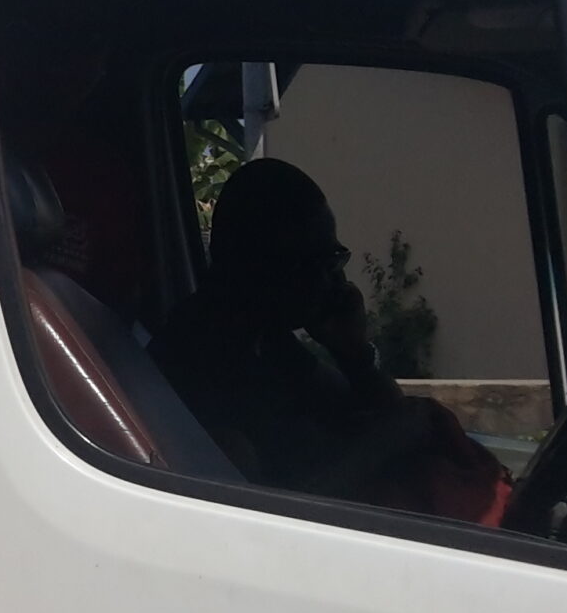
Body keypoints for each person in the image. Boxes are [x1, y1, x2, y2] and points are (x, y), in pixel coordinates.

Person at [150, 157, 509, 525]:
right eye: (316, 264)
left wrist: (352, 352)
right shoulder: (196, 366)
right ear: (257, 265)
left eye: (336, 260)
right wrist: (385, 441)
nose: (334, 281)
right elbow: (266, 519)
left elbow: (381, 409)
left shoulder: (268, 345)